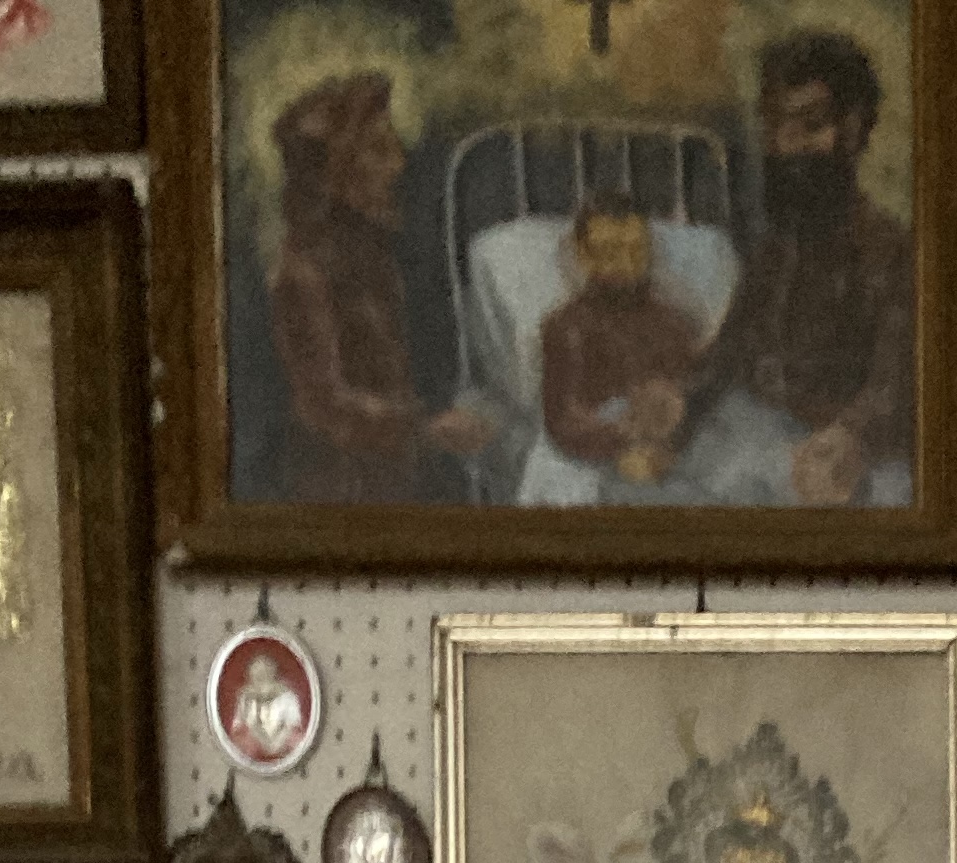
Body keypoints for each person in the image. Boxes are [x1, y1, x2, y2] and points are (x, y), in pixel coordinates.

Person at [680, 30, 913, 509]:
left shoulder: (891, 252)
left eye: (810, 124)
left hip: (839, 460)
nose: (786, 145)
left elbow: (896, 383)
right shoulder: (774, 250)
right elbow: (728, 351)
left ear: (853, 130)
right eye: (774, 125)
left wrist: (851, 435)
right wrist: (677, 403)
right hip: (758, 442)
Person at [265, 73, 497, 505]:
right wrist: (426, 429)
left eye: (394, 146)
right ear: (333, 175)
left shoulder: (370, 256)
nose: (398, 164)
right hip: (340, 488)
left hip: (392, 473)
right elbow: (327, 406)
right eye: (378, 150)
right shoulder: (302, 274)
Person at [538, 203, 709, 490]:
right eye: (610, 251)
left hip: (676, 446)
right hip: (604, 453)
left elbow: (696, 389)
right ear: (584, 255)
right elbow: (563, 420)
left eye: (636, 249)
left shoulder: (674, 322)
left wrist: (674, 435)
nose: (627, 263)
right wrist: (625, 441)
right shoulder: (568, 327)